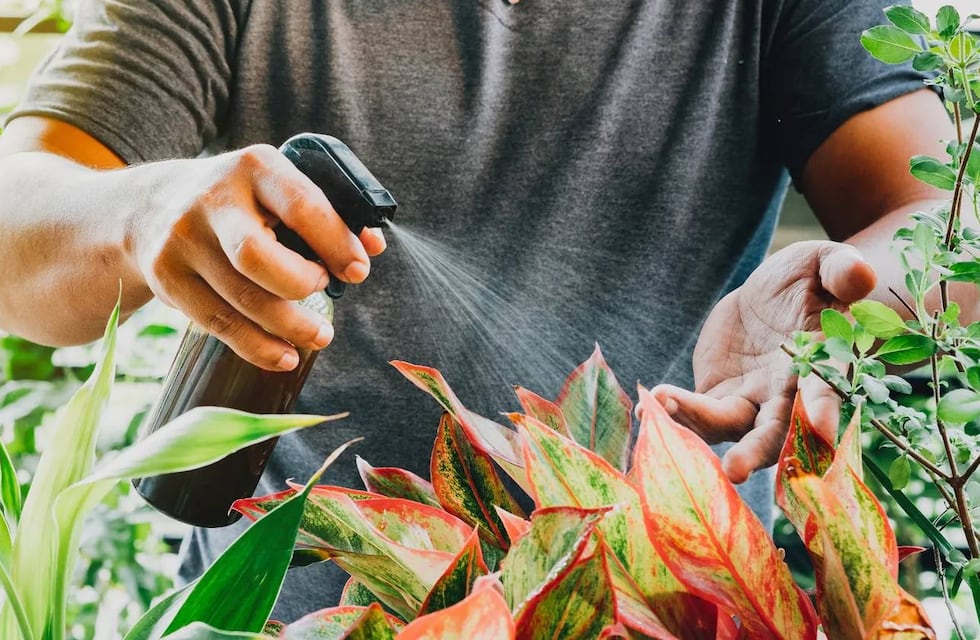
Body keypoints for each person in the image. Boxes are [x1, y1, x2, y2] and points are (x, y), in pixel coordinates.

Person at [0, 0, 955, 621]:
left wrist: (846, 308)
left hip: (670, 604)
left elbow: (947, 216)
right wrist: (136, 213)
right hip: (292, 611)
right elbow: (16, 220)